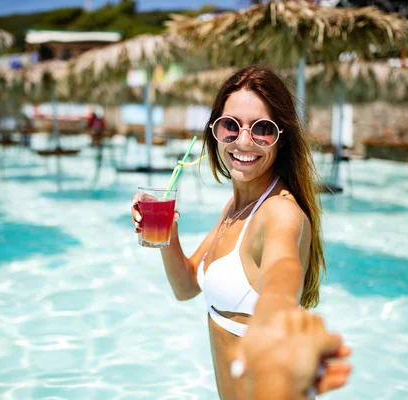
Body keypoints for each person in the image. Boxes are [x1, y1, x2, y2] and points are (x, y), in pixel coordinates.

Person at [131, 66, 350, 399]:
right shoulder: (237, 205)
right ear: (215, 132)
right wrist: (167, 231)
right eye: (230, 126)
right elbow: (186, 286)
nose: (244, 140)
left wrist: (277, 319)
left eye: (262, 129)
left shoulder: (280, 212)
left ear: (282, 139)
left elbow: (282, 273)